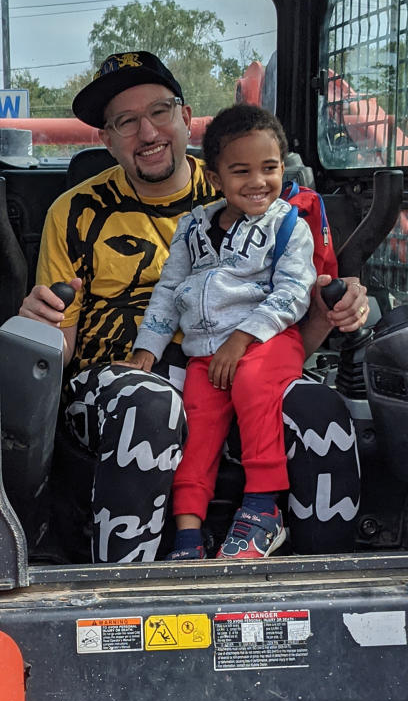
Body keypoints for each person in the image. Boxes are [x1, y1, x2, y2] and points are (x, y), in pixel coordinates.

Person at [19, 50, 369, 563]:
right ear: (107, 140)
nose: (148, 132)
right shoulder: (74, 212)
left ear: (186, 119)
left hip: (243, 362)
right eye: (126, 121)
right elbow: (62, 347)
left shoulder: (249, 189)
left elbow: (298, 329)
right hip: (115, 378)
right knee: (151, 402)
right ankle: (125, 601)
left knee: (320, 408)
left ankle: (323, 592)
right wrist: (40, 327)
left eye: (159, 112)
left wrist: (332, 308)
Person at [129, 105, 315, 560]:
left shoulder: (289, 225)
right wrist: (146, 349)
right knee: (197, 427)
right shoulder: (191, 227)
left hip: (269, 342)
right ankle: (189, 536)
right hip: (205, 355)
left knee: (252, 383)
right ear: (215, 179)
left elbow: (295, 292)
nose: (258, 181)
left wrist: (244, 337)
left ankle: (262, 511)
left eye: (269, 168)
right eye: (241, 171)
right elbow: (169, 290)